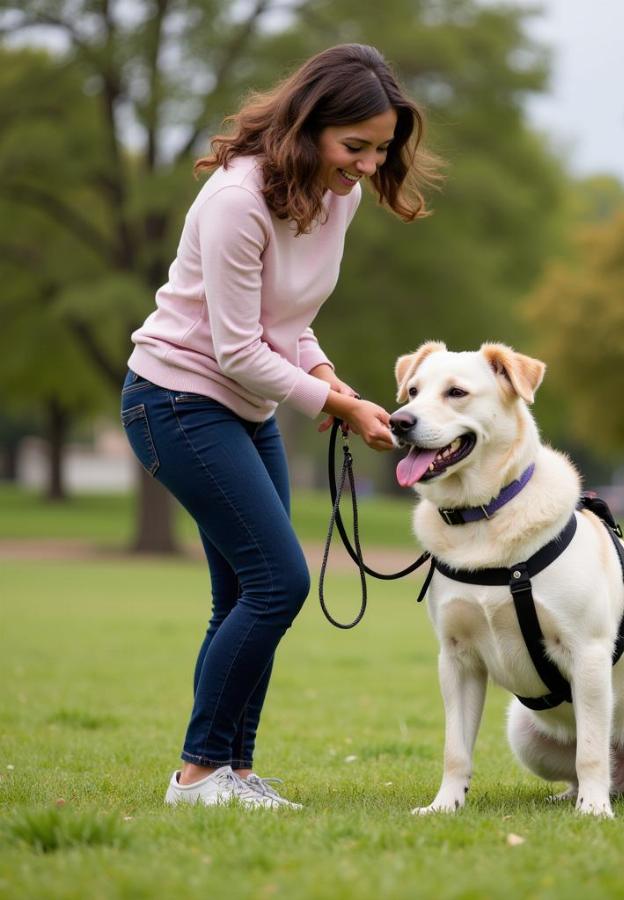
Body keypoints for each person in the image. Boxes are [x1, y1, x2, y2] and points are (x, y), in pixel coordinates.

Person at [120, 43, 439, 808]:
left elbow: (287, 326)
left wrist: (329, 377)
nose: (366, 165)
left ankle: (232, 772)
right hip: (176, 402)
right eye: (352, 146)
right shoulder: (236, 200)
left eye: (381, 149)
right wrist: (334, 406)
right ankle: (198, 773)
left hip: (245, 406)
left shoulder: (339, 199)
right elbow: (233, 349)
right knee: (279, 581)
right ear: (308, 127)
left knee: (243, 593)